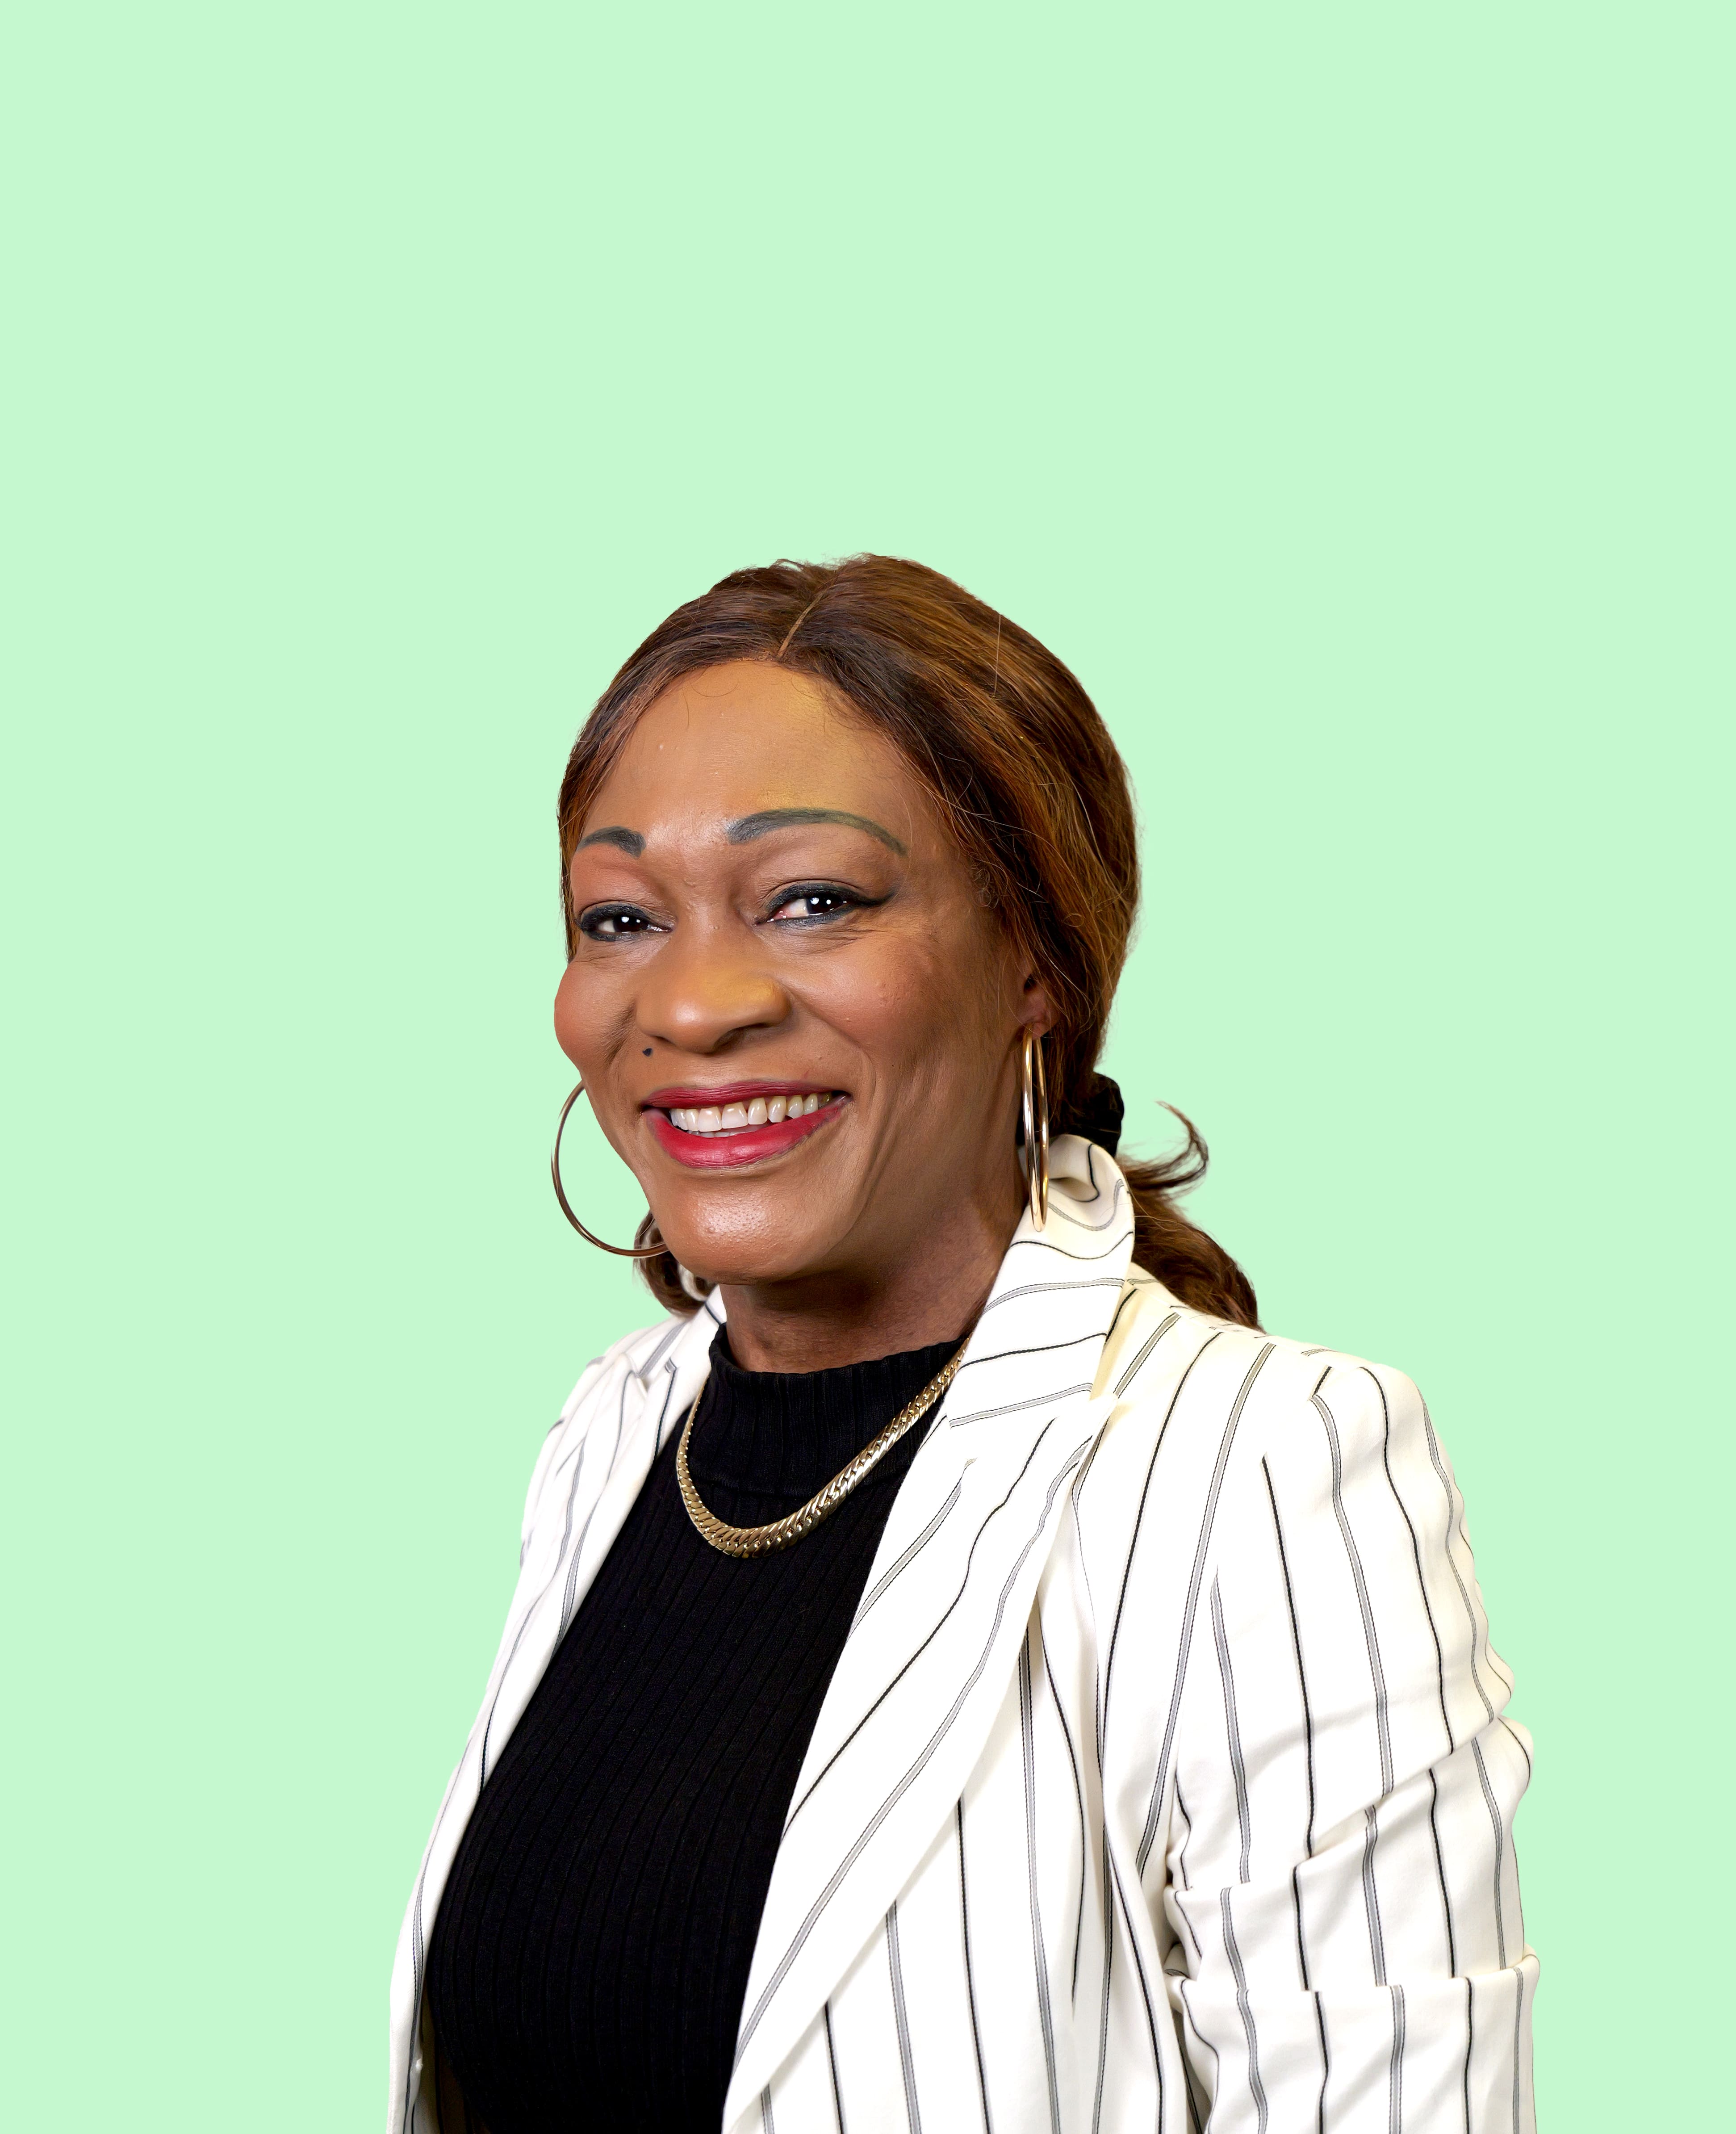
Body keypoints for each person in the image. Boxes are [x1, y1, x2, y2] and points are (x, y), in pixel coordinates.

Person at [389, 556, 1536, 2134]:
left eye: (813, 900)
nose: (697, 1004)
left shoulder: (1265, 1469)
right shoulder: (616, 1435)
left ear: (1035, 959)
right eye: (622, 917)